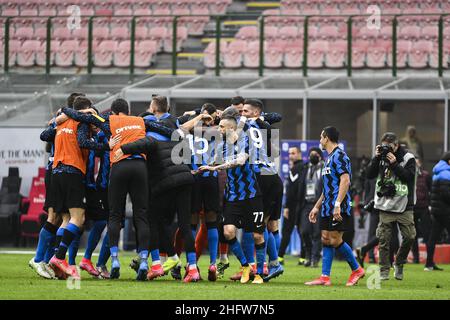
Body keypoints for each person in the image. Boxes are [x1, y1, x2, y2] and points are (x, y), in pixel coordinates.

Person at [61, 98, 153, 281]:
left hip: (115, 172)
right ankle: (141, 261)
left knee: (111, 218)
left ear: (113, 112)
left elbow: (86, 120)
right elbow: (164, 129)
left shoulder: (109, 123)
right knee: (136, 215)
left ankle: (107, 261)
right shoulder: (135, 123)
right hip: (122, 175)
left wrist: (67, 110)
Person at [199, 116, 267, 284]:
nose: (218, 129)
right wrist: (204, 166)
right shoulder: (222, 146)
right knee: (228, 232)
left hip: (251, 196)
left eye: (221, 127)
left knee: (258, 235)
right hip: (233, 197)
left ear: (230, 128)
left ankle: (259, 273)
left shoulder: (246, 141)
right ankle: (245, 266)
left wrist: (216, 167)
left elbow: (240, 161)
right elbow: (216, 160)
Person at [48, 97, 110, 280]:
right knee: (78, 218)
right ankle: (59, 258)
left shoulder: (62, 121)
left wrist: (60, 115)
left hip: (56, 173)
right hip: (72, 172)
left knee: (66, 219)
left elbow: (44, 135)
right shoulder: (81, 123)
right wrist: (107, 145)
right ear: (88, 109)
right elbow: (86, 141)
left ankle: (60, 263)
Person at [29, 93, 84, 279]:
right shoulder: (66, 121)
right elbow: (45, 136)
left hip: (57, 169)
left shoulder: (64, 120)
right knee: (55, 217)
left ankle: (50, 260)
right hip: (58, 169)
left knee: (63, 218)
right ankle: (40, 259)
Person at [305, 126, 364, 287]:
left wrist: (337, 204)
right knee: (325, 238)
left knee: (335, 239)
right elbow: (327, 188)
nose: (319, 141)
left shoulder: (340, 156)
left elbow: (345, 181)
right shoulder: (328, 158)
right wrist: (316, 207)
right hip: (326, 206)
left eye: (321, 137)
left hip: (338, 206)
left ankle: (357, 269)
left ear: (327, 138)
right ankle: (325, 277)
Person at [240, 99, 284, 282]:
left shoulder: (242, 125)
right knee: (268, 224)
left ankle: (268, 265)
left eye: (245, 110)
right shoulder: (263, 127)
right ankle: (272, 263)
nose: (242, 113)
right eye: (241, 110)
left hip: (261, 178)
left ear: (255, 113)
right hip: (273, 176)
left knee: (257, 226)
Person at [366, 132, 417, 281]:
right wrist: (376, 158)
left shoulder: (408, 158)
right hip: (385, 203)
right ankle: (384, 270)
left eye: (389, 147)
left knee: (409, 236)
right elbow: (369, 175)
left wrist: (394, 164)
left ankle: (399, 262)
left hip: (404, 204)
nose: (387, 149)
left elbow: (408, 177)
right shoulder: (380, 157)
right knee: (383, 239)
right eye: (384, 146)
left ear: (397, 145)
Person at [298, 147, 324, 268]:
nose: (313, 156)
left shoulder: (324, 169)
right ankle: (308, 253)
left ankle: (315, 258)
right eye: (311, 154)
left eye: (316, 154)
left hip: (319, 204)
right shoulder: (305, 168)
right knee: (304, 231)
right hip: (306, 204)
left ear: (320, 156)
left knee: (317, 233)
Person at [278, 147, 304, 265]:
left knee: (287, 231)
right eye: (289, 153)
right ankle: (303, 258)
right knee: (301, 231)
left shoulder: (296, 169)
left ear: (299, 154)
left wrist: (287, 207)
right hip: (301, 205)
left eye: (293, 153)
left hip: (294, 206)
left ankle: (280, 257)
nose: (290, 155)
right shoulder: (302, 168)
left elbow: (291, 190)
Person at [426, 152, 450, 271]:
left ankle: (429, 264)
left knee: (433, 237)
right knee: (433, 237)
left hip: (437, 210)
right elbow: (446, 194)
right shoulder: (446, 173)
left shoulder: (437, 172)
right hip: (445, 210)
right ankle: (429, 264)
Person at [412, 158, 432, 263]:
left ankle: (429, 259)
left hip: (424, 207)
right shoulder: (409, 176)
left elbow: (431, 190)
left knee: (427, 233)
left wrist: (430, 205)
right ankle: (416, 258)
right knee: (412, 235)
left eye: (417, 162)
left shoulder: (426, 175)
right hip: (412, 208)